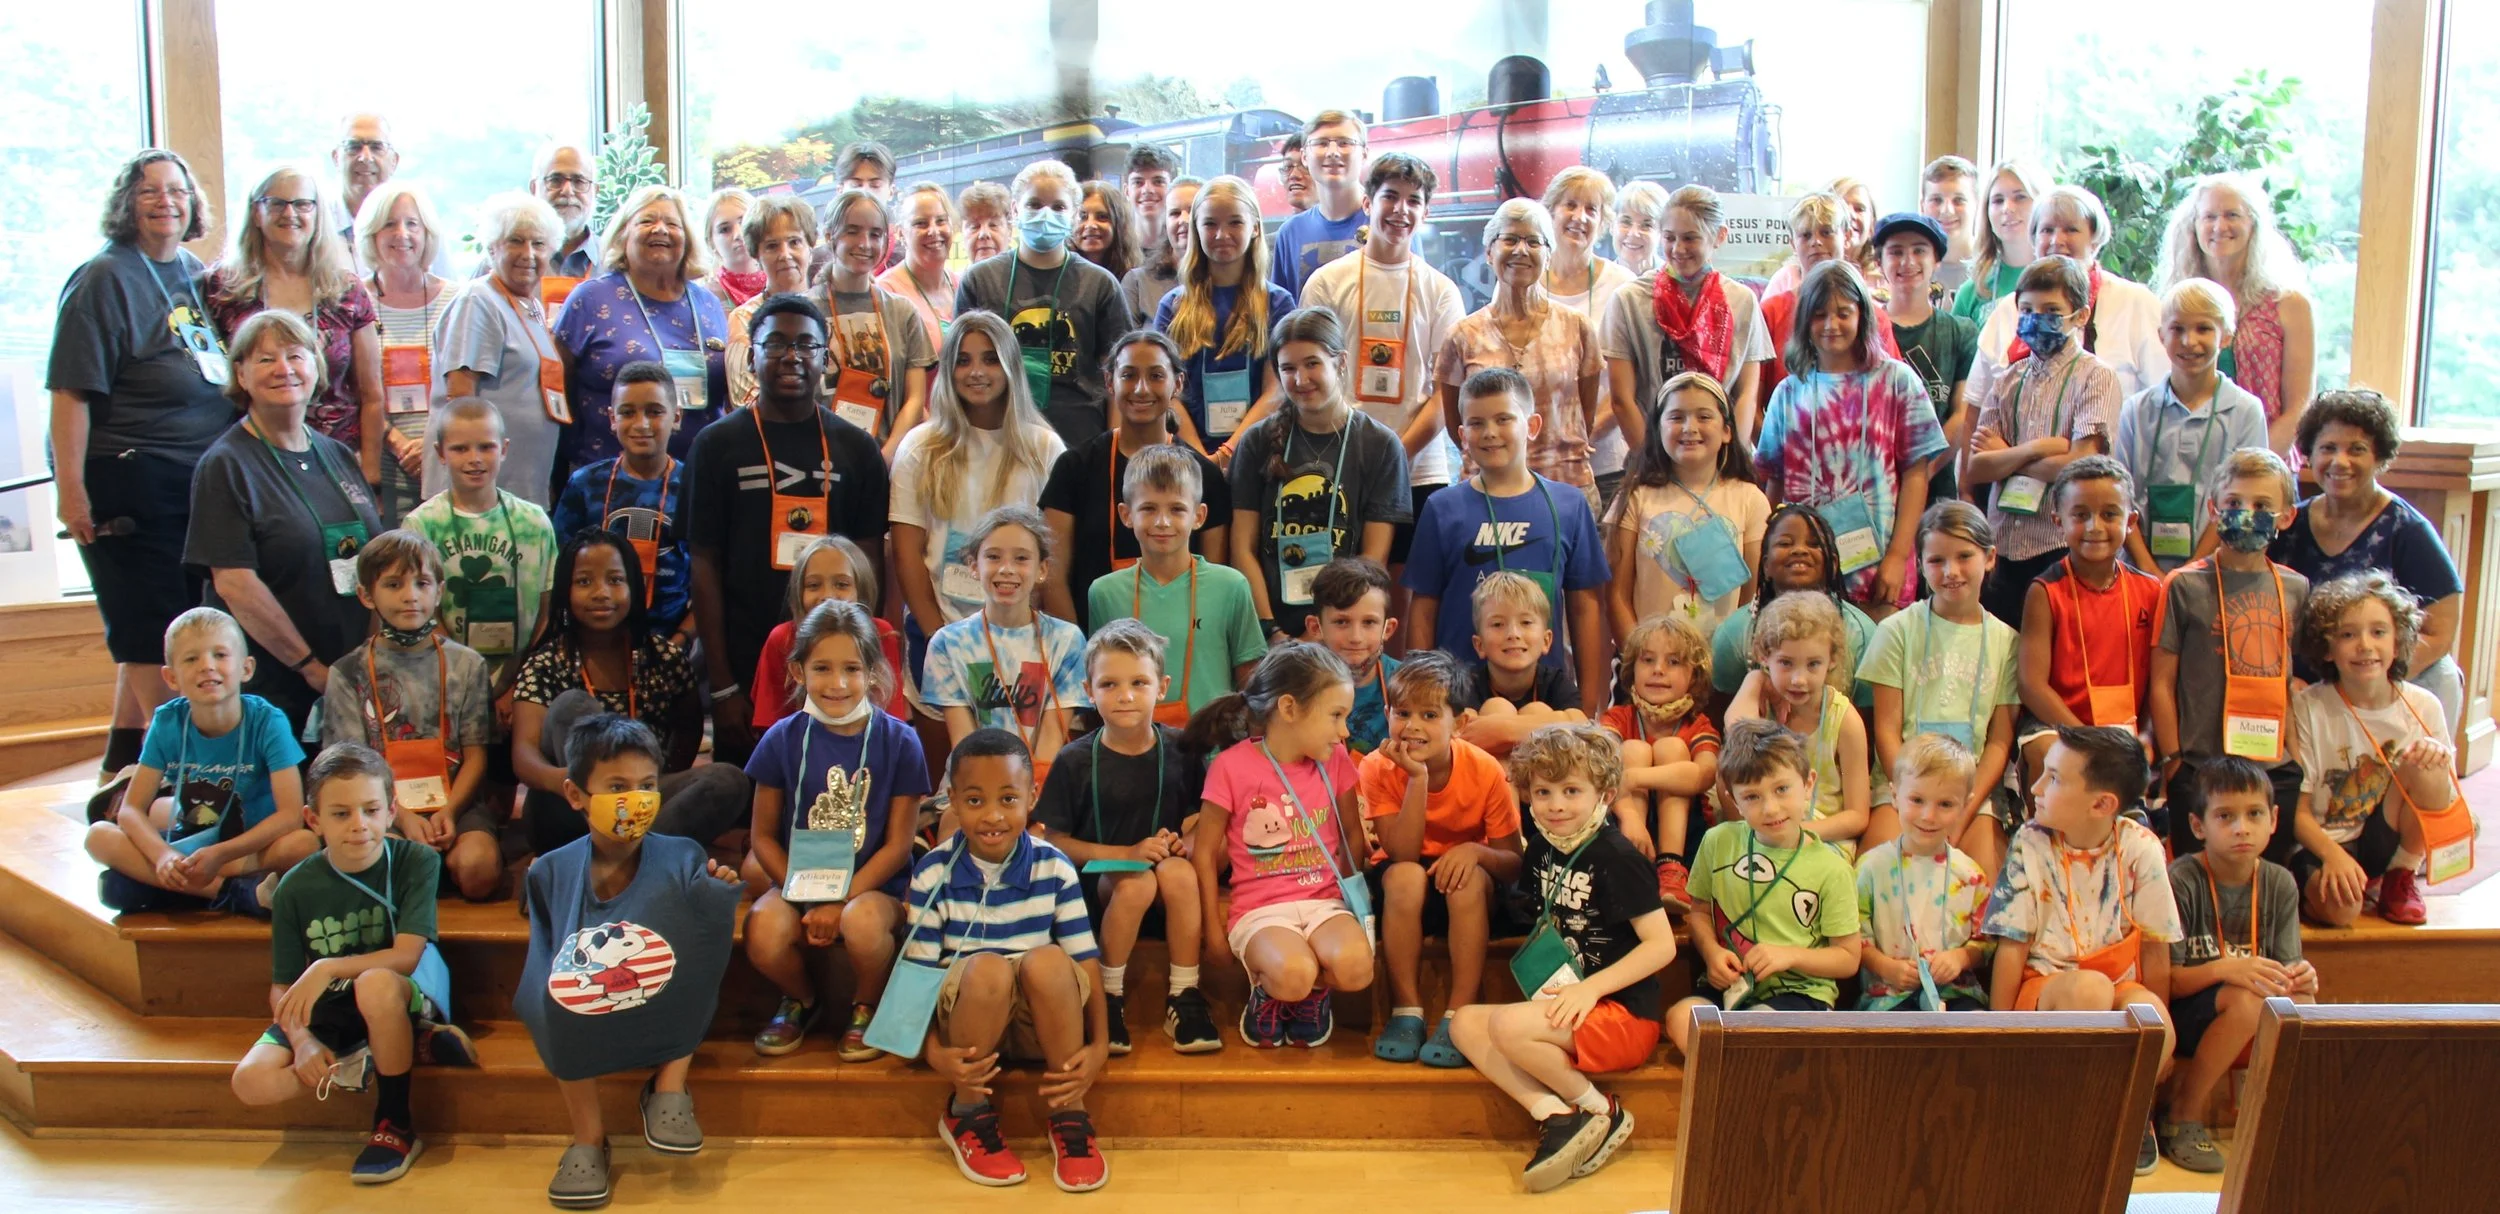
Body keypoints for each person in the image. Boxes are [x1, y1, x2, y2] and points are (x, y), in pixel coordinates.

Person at [47, 149, 232, 777]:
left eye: (177, 190)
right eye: (149, 191)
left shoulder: (191, 272)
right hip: (128, 475)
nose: (165, 202)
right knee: (152, 630)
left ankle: (121, 772)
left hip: (192, 478)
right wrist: (72, 492)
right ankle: (186, 775)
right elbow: (70, 393)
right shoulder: (103, 279)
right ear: (126, 202)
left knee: (163, 626)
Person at [518, 714, 742, 1210]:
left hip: (658, 982)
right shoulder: (551, 868)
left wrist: (716, 893)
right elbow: (545, 946)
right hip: (586, 988)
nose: (636, 799)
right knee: (550, 1001)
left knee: (695, 968)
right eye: (617, 787)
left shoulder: (682, 854)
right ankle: (588, 1138)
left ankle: (668, 1085)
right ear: (576, 795)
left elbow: (704, 939)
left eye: (647, 785)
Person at [231, 744, 468, 1186]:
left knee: (374, 983)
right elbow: (282, 987)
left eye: (371, 810)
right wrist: (302, 1041)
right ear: (313, 820)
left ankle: (394, 1122)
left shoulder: (417, 862)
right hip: (332, 1006)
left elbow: (406, 956)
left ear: (391, 811)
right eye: (340, 814)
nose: (359, 824)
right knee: (250, 1082)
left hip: (397, 989)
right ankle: (368, 1058)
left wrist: (326, 967)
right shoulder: (294, 887)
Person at [1449, 721, 1664, 1192]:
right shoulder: (1544, 847)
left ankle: (1602, 1110)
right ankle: (1557, 1113)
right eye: (1543, 792)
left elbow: (1662, 946)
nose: (1556, 805)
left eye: (1571, 791)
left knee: (1506, 1026)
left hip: (1624, 1014)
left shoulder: (1617, 857)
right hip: (1571, 1004)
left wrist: (1591, 989)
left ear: (1604, 794)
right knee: (1464, 1023)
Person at [685, 292, 890, 765]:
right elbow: (703, 564)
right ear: (750, 356)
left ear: (825, 359)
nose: (791, 356)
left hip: (836, 668)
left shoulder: (858, 449)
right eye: (775, 343)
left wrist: (864, 661)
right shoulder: (715, 446)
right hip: (743, 658)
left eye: (806, 345)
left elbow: (869, 563)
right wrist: (723, 685)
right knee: (750, 791)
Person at [906, 728, 1111, 1192]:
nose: (993, 815)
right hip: (970, 1028)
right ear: (952, 801)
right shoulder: (932, 872)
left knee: (1049, 962)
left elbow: (1085, 961)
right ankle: (968, 1111)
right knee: (989, 968)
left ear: (1032, 796)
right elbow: (916, 977)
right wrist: (934, 1053)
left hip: (1040, 1025)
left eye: (1008, 799)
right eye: (974, 801)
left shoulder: (1054, 866)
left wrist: (1099, 1045)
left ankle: (1069, 1112)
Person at [1982, 723, 2179, 1174]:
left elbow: (2156, 947)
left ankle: (2126, 1115)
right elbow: (2012, 947)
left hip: (2118, 983)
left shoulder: (2141, 847)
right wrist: (1998, 1036)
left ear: (2102, 804)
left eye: (2053, 778)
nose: (2036, 787)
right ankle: (2058, 1117)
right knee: (2089, 990)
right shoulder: (2031, 842)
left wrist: (2160, 1045)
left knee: (2155, 1019)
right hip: (2048, 989)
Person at [742, 600, 929, 1061]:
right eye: (822, 668)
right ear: (798, 670)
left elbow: (898, 846)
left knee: (860, 923)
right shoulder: (782, 738)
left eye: (851, 669)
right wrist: (803, 894)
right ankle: (802, 1000)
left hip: (873, 890)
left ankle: (867, 1004)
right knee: (763, 929)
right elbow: (761, 837)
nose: (838, 683)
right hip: (796, 883)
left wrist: (838, 899)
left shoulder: (901, 741)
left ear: (873, 671)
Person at [185, 310, 386, 738]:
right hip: (273, 687)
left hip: (349, 680)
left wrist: (366, 659)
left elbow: (372, 562)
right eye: (265, 359)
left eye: (296, 355)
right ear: (240, 374)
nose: (284, 368)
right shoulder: (226, 465)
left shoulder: (337, 455)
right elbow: (235, 584)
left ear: (316, 367)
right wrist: (311, 668)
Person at [1033, 620, 1218, 1055]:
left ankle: (1185, 994)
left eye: (1139, 682)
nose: (1125, 695)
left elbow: (1202, 819)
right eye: (1109, 684)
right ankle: (1107, 997)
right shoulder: (1074, 760)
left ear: (1162, 687)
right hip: (1103, 893)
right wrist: (1127, 853)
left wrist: (1185, 843)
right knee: (1138, 882)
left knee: (1176, 872)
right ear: (1089, 690)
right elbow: (1054, 841)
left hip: (1171, 894)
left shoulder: (1183, 749)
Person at [510, 529, 749, 854]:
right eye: (584, 582)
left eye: (615, 580)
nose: (601, 593)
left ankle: (620, 861)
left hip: (642, 799)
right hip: (570, 805)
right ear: (565, 590)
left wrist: (647, 785)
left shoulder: (663, 658)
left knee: (728, 780)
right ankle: (630, 860)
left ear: (634, 587)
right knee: (572, 706)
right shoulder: (547, 663)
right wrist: (570, 782)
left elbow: (687, 733)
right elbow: (524, 755)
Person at [1194, 642, 1376, 1048]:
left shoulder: (1336, 759)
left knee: (1357, 969)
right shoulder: (1230, 766)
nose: (1345, 731)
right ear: (1290, 708)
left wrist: (1353, 903)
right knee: (1294, 974)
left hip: (1325, 904)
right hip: (1261, 911)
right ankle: (1271, 993)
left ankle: (1313, 995)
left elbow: (1351, 834)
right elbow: (1204, 853)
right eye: (1336, 716)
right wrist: (1212, 931)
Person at [1298, 155, 1466, 582]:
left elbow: (1446, 394)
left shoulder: (1442, 292)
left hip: (1419, 470)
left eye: (1414, 200)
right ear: (1368, 203)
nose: (1401, 210)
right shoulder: (1326, 283)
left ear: (1426, 212)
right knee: (1339, 588)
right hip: (1337, 464)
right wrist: (1349, 457)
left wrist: (1395, 456)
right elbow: (1309, 377)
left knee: (1406, 593)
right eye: (1390, 196)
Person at [85, 607, 316, 914]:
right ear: (171, 677)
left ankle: (165, 888)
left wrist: (219, 855)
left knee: (303, 844)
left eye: (220, 655)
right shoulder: (167, 721)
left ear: (246, 668)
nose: (207, 666)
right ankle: (231, 893)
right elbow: (130, 810)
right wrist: (164, 857)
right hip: (192, 840)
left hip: (249, 848)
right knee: (98, 837)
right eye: (191, 659)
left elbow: (290, 815)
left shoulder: (268, 722)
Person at [1407, 368, 1610, 711]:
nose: (1490, 433)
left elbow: (1585, 608)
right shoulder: (1441, 508)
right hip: (1457, 700)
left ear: (1532, 426)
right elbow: (1424, 611)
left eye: (1504, 419)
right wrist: (1422, 696)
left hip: (1544, 702)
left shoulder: (1569, 505)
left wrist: (1589, 706)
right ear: (1461, 434)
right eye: (1476, 423)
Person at [2271, 389, 2466, 735]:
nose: (2339, 461)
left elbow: (2439, 632)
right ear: (2310, 454)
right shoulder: (2287, 525)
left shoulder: (2407, 530)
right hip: (2298, 687)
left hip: (2380, 684)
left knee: (2445, 676)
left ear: (2380, 456)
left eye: (2356, 449)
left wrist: (2362, 685)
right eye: (2328, 448)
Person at [1362, 650, 1524, 1066]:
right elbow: (1401, 853)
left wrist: (1474, 851)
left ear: (1460, 723)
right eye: (1403, 713)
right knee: (1404, 876)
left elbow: (1512, 861)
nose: (1413, 726)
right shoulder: (1378, 767)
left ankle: (1459, 1014)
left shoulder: (1485, 769)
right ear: (1387, 714)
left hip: (1467, 888)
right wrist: (1416, 778)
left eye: (1430, 715)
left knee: (1465, 880)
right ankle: (1406, 1010)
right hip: (1407, 885)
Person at [1754, 260, 1941, 615]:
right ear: (1804, 321)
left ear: (1862, 315)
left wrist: (1898, 556)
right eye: (1819, 315)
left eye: (1843, 313)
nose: (1831, 325)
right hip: (1803, 574)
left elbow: (1917, 475)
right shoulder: (1789, 392)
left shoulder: (1897, 381)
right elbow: (1774, 481)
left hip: (1878, 568)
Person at [319, 532, 498, 902]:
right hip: (380, 809)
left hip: (456, 803)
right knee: (385, 870)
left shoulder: (467, 664)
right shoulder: (347, 672)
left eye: (422, 583)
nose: (410, 595)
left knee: (478, 870)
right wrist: (400, 817)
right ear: (367, 595)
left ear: (439, 591)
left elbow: (476, 755)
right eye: (393, 584)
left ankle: (438, 862)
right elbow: (350, 769)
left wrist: (450, 812)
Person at [2159, 755, 2317, 1174]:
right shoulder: (2181, 880)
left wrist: (2301, 976)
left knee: (2304, 1002)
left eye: (2254, 814)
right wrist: (2225, 968)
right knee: (2246, 1000)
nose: (2241, 828)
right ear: (2198, 826)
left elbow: (2286, 971)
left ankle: (2283, 1117)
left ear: (2274, 819)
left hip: (2248, 1006)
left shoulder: (2280, 882)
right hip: (2189, 1013)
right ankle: (2182, 1113)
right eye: (2225, 816)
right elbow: (2168, 981)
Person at [2150, 450, 2311, 859]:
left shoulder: (2295, 588)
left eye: (2262, 506)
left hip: (2272, 765)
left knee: (2266, 876)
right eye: (2234, 502)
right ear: (2213, 509)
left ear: (2286, 517)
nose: (2246, 514)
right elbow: (2162, 682)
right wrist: (2174, 762)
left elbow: (2287, 680)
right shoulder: (2183, 585)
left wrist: (2295, 759)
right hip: (2201, 765)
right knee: (2197, 877)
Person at [1668, 718, 1863, 1049]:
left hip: (1800, 993)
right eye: (1752, 796)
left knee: (1754, 1033)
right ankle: (1737, 1078)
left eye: (1782, 789)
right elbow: (1699, 912)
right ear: (1733, 800)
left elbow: (1847, 958)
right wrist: (1712, 953)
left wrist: (1790, 956)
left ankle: (1738, 1079)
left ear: (1808, 784)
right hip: (1731, 986)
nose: (1771, 808)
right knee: (1679, 1019)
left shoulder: (1833, 869)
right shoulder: (1717, 842)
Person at [2288, 571, 2463, 928]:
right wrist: (2333, 856)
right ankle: (2311, 888)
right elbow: (2297, 812)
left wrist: (2438, 757)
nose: (2365, 645)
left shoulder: (2424, 706)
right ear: (2326, 648)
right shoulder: (2308, 708)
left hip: (2386, 836)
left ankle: (2400, 876)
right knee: (2341, 912)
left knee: (2428, 764)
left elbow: (2444, 797)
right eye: (2348, 635)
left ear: (2398, 643)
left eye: (2379, 632)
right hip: (2324, 842)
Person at [1856, 502, 2022, 873]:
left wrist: (1961, 808)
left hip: (1972, 793)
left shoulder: (2007, 642)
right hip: (1902, 786)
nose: (1951, 571)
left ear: (1989, 557)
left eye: (1964, 556)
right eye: (1936, 560)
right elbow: (1886, 730)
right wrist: (1912, 798)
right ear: (1920, 564)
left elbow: (1999, 741)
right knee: (1875, 876)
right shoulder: (1896, 631)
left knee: (1981, 886)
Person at [1230, 308, 1412, 641]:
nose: (1300, 380)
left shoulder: (1381, 445)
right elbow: (1242, 548)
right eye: (1288, 368)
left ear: (1340, 362)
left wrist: (1324, 633)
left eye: (1312, 364)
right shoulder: (1256, 441)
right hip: (1269, 631)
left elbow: (1373, 561)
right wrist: (1272, 631)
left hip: (1342, 633)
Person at [891, 310, 1065, 657]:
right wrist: (938, 639)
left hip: (1022, 637)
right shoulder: (919, 446)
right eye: (963, 361)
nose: (976, 372)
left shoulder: (1045, 448)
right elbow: (906, 552)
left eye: (990, 359)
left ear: (1010, 366)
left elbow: (1054, 558)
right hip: (936, 631)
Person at [1966, 256, 2124, 626]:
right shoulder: (2007, 380)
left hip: (2060, 546)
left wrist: (2007, 457)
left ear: (2080, 316)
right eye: (2027, 310)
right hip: (2003, 546)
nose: (2036, 319)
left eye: (2051, 311)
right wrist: (2038, 448)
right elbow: (1978, 467)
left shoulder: (2096, 377)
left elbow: (2079, 467)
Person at [205, 164, 384, 487]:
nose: (290, 213)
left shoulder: (346, 289)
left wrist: (370, 472)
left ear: (317, 214)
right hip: (254, 463)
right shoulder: (224, 288)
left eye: (302, 204)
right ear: (256, 213)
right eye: (277, 203)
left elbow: (371, 393)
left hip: (338, 461)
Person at [1042, 334, 1230, 630]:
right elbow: (1052, 576)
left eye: (1156, 376)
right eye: (1129, 375)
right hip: (1092, 644)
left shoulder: (1205, 475)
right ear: (1109, 382)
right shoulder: (1074, 468)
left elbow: (1212, 583)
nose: (1142, 389)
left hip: (1183, 639)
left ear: (1178, 383)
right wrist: (1076, 647)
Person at [553, 184, 731, 476]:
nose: (660, 229)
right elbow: (558, 388)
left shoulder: (709, 304)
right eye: (647, 221)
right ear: (623, 234)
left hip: (700, 477)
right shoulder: (591, 299)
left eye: (672, 224)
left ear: (687, 238)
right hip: (609, 479)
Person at [1437, 202, 1605, 510]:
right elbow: (1456, 425)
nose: (1521, 250)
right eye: (1510, 239)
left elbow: (1585, 417)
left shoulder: (1578, 327)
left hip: (1566, 489)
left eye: (1533, 241)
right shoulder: (1461, 335)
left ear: (1548, 255)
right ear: (1489, 253)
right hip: (1487, 493)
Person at [954, 159, 1133, 448]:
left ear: (1073, 214)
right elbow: (958, 370)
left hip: (1080, 444)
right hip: (997, 443)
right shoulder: (980, 280)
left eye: (1059, 207)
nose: (1046, 215)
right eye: (1034, 204)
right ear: (1015, 210)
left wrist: (1112, 450)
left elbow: (1117, 376)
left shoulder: (1100, 284)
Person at [1080, 443, 1264, 717]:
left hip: (1212, 740)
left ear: (1199, 516)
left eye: (1177, 509)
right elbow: (1102, 676)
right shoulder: (1104, 592)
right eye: (1149, 509)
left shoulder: (1230, 586)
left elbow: (1249, 679)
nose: (1163, 522)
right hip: (1132, 739)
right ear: (1126, 515)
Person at [2013, 458, 2162, 794]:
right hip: (2061, 726)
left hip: (2124, 730)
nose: (2095, 526)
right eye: (2080, 515)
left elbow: (2159, 681)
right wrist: (2086, 738)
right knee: (2046, 750)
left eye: (2109, 514)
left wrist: (2147, 736)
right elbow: (2031, 685)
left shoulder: (2150, 591)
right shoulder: (2045, 591)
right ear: (2058, 522)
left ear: (2131, 522)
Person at [1603, 184, 1775, 473]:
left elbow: (1746, 394)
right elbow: (1622, 399)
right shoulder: (1629, 300)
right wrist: (1654, 466)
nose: (1678, 249)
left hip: (1722, 465)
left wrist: (1731, 463)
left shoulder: (1742, 301)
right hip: (1653, 463)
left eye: (1690, 238)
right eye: (1669, 238)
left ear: (1719, 236)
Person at [405, 398, 560, 705]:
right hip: (448, 682)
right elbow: (424, 613)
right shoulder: (421, 525)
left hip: (520, 683)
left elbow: (547, 611)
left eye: (486, 447)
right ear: (440, 453)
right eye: (460, 449)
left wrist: (518, 684)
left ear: (504, 449)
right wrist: (466, 681)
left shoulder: (534, 523)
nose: (474, 459)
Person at [2114, 279, 2269, 573]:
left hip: (2215, 570)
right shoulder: (2135, 410)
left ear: (2226, 336)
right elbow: (2120, 495)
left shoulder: (2246, 411)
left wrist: (2192, 569)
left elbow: (2245, 499)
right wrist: (2149, 570)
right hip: (2140, 571)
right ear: (2161, 335)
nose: (2189, 341)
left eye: (2203, 329)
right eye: (2177, 329)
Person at [1604, 371, 1769, 642]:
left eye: (1704, 417)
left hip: (1722, 661)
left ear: (1727, 431)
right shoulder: (1635, 497)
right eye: (1676, 417)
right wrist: (1641, 657)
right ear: (1658, 429)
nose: (1689, 427)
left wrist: (1730, 659)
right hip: (1650, 659)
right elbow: (1617, 595)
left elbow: (1751, 602)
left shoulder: (1751, 499)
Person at [922, 505, 1090, 771]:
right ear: (973, 566)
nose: (1006, 569)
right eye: (993, 557)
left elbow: (1050, 742)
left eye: (1021, 558)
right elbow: (964, 743)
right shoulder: (948, 644)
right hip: (973, 780)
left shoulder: (1066, 640)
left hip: (1039, 782)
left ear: (1042, 568)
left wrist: (1028, 791)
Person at [2158, 173, 2316, 453]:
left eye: (2232, 215)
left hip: (2267, 462)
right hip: (2186, 461)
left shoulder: (2289, 303)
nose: (2220, 226)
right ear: (2193, 226)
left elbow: (2299, 407)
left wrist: (2252, 465)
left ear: (2253, 223)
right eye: (2209, 217)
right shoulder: (2176, 303)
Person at [1970, 185, 2170, 406]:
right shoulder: (2009, 309)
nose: (2057, 240)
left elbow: (2164, 398)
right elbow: (1975, 405)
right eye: (2047, 230)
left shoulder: (2136, 303)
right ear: (2034, 240)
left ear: (2095, 240)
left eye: (2071, 230)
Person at [435, 192, 570, 507]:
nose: (528, 253)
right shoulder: (478, 300)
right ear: (492, 247)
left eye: (538, 244)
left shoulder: (531, 306)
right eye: (515, 241)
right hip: (479, 489)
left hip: (523, 483)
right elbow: (461, 398)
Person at [550, 361, 694, 639]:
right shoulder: (584, 484)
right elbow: (561, 570)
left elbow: (709, 576)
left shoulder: (694, 485)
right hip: (593, 639)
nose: (641, 424)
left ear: (676, 417)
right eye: (628, 412)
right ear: (612, 418)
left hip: (672, 641)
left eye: (654, 412)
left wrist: (680, 642)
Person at [1725, 592, 1873, 858]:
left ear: (1832, 659)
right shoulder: (1761, 705)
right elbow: (1737, 733)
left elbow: (1857, 816)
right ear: (1764, 655)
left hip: (1822, 840)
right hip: (1762, 832)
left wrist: (1798, 832)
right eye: (1786, 663)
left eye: (1813, 664)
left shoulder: (1844, 720)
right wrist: (1755, 681)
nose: (1798, 679)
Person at [1155, 175, 1294, 456]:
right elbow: (1166, 390)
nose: (1221, 234)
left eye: (1235, 222)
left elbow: (1277, 389)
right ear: (1196, 229)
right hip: (1187, 455)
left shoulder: (1278, 303)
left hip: (1257, 452)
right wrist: (1202, 458)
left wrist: (1228, 453)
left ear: (1255, 227)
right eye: (1210, 224)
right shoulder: (1173, 306)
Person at [1854, 733, 1994, 1011]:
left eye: (1945, 804)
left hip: (1955, 994)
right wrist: (1885, 966)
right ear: (1895, 796)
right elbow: (1853, 935)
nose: (1929, 816)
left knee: (1973, 1032)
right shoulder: (1871, 869)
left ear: (1965, 805)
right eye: (1917, 800)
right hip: (1888, 998)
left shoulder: (1971, 876)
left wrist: (1960, 958)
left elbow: (1987, 941)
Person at [1709, 504, 1879, 714]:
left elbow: (1870, 715)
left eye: (1814, 544)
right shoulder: (1734, 633)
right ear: (1765, 565)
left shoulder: (1861, 633)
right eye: (1785, 543)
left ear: (1833, 564)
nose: (1799, 550)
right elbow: (1719, 714)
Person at [1600, 612, 1720, 905]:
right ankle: (1631, 867)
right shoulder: (1618, 718)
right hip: (1624, 825)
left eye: (1674, 662)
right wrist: (1630, 817)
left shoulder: (1698, 725)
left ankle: (1672, 869)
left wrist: (1633, 777)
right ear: (1632, 669)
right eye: (1648, 660)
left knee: (1672, 748)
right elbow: (1599, 771)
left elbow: (1705, 774)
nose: (1658, 670)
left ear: (1694, 677)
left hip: (1686, 836)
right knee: (1632, 750)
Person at [1538, 168, 1640, 504]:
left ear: (1603, 221)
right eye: (1570, 205)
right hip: (1537, 463)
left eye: (1591, 209)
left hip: (1607, 464)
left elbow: (1632, 379)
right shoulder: (1525, 280)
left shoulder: (1623, 286)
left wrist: (1583, 435)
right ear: (1550, 211)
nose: (1579, 217)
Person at [353, 181, 450, 524]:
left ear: (427, 233)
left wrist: (430, 442)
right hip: (380, 470)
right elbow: (352, 389)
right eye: (389, 224)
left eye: (412, 224)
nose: (402, 234)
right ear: (372, 234)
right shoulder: (352, 299)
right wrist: (396, 442)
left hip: (446, 461)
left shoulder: (457, 300)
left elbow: (469, 388)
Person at [748, 535, 910, 738]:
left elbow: (891, 717)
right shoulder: (782, 639)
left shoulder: (882, 634)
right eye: (813, 585)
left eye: (841, 584)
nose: (827, 595)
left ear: (861, 590)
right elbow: (770, 725)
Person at [816, 188, 938, 458]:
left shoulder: (902, 312)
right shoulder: (803, 312)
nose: (865, 244)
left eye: (875, 234)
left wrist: (885, 458)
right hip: (822, 460)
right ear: (829, 235)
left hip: (888, 460)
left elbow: (915, 399)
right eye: (853, 231)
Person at [1755, 193, 1902, 404]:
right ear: (1792, 243)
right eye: (1806, 235)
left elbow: (1894, 392)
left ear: (1847, 236)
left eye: (1826, 232)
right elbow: (1753, 399)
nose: (1816, 242)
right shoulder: (1771, 312)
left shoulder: (1874, 317)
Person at [1873, 212, 1978, 505]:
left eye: (1919, 250)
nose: (1908, 261)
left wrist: (1919, 477)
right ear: (1880, 262)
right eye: (1896, 252)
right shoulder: (1865, 331)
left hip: (1938, 490)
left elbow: (1962, 415)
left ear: (1937, 260)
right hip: (1875, 489)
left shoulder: (1960, 331)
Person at [1447, 572, 1590, 759]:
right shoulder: (1467, 685)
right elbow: (1464, 733)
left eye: (1526, 622)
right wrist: (1541, 727)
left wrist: (1503, 730)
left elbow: (1580, 725)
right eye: (1498, 624)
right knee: (1496, 707)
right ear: (1479, 645)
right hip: (1489, 772)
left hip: (1543, 775)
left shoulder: (1556, 682)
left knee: (1536, 710)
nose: (1513, 634)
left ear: (1546, 640)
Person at [723, 193, 822, 409]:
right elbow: (745, 401)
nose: (785, 254)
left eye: (794, 242)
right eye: (772, 246)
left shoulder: (830, 309)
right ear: (756, 256)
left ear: (811, 248)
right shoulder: (744, 319)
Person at [1269, 110, 1370, 296]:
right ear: (1305, 157)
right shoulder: (1290, 233)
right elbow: (1282, 310)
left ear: (1364, 154)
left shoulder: (1389, 225)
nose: (1333, 152)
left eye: (1345, 143)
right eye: (1321, 143)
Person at [1309, 557, 1402, 755]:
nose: (1356, 638)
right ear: (1316, 627)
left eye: (1369, 622)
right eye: (1341, 622)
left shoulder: (1409, 682)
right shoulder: (1298, 686)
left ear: (1388, 629)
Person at [1951, 158, 2048, 325]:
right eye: (1998, 200)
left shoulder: (2064, 281)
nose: (2007, 208)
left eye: (2020, 197)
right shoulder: (1971, 292)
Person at [881, 182, 961, 349]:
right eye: (921, 223)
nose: (934, 231)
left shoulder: (961, 284)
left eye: (941, 221)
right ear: (900, 233)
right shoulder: (886, 292)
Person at [1122, 175, 1199, 324]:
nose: (1183, 220)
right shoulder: (1138, 282)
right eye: (1174, 213)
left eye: (1192, 211)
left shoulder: (1225, 281)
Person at [526, 143, 600, 287]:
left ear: (595, 191)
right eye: (555, 180)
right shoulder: (502, 262)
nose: (567, 191)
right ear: (534, 189)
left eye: (579, 181)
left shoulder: (617, 262)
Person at [331, 114, 401, 247]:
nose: (365, 157)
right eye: (353, 146)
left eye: (377, 147)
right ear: (336, 158)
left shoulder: (414, 231)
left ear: (394, 161)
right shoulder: (317, 225)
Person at [1920, 155, 1981, 293]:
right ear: (1922, 206)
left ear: (1977, 205)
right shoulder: (1911, 271)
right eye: (1937, 200)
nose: (1947, 210)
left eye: (1958, 200)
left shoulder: (1994, 270)